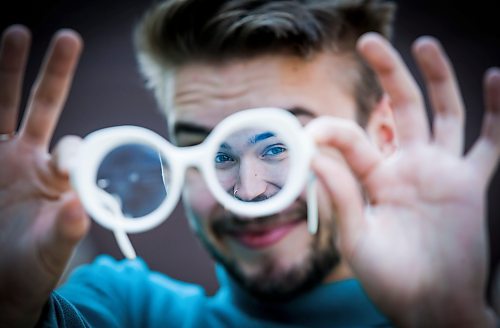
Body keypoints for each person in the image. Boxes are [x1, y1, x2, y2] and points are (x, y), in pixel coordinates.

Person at [0, 0, 499, 326]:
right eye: (213, 153)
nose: (248, 193)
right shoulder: (124, 311)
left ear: (383, 135)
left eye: (280, 145)